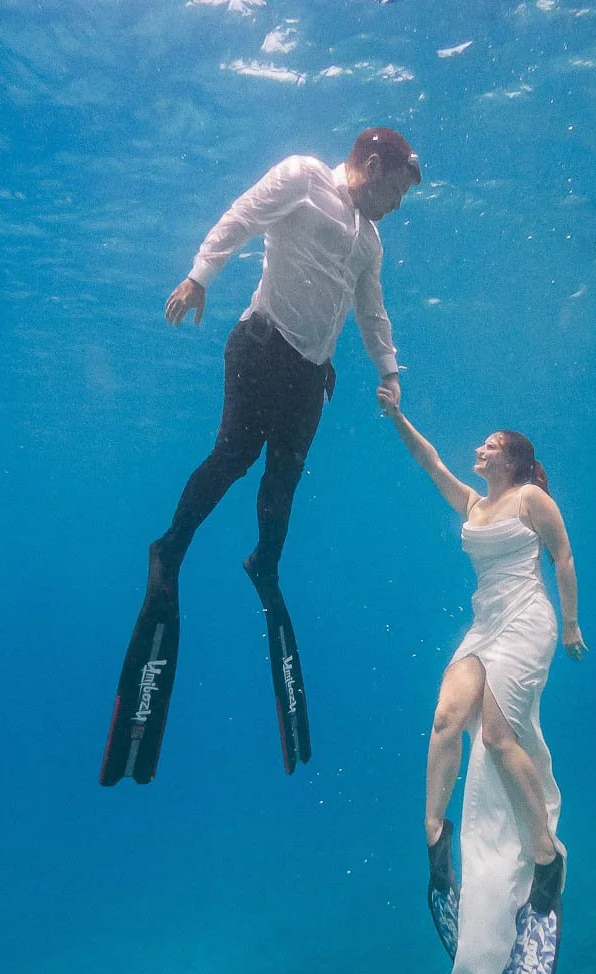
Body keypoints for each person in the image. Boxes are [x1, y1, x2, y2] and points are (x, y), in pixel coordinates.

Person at [100, 128, 423, 786]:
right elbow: (241, 217)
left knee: (284, 485)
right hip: (260, 344)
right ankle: (171, 549)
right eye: (393, 189)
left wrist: (387, 370)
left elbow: (371, 309)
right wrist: (198, 277)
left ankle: (263, 564)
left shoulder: (370, 238)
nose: (395, 204)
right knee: (235, 456)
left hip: (311, 374)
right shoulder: (304, 176)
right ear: (369, 164)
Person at [382, 399, 584, 974]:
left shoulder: (530, 500)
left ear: (513, 458)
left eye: (491, 443)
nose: (480, 448)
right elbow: (430, 462)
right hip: (485, 623)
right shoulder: (474, 504)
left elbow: (563, 555)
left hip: (527, 622)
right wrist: (396, 416)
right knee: (446, 719)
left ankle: (546, 856)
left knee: (497, 737)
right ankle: (434, 837)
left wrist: (571, 623)